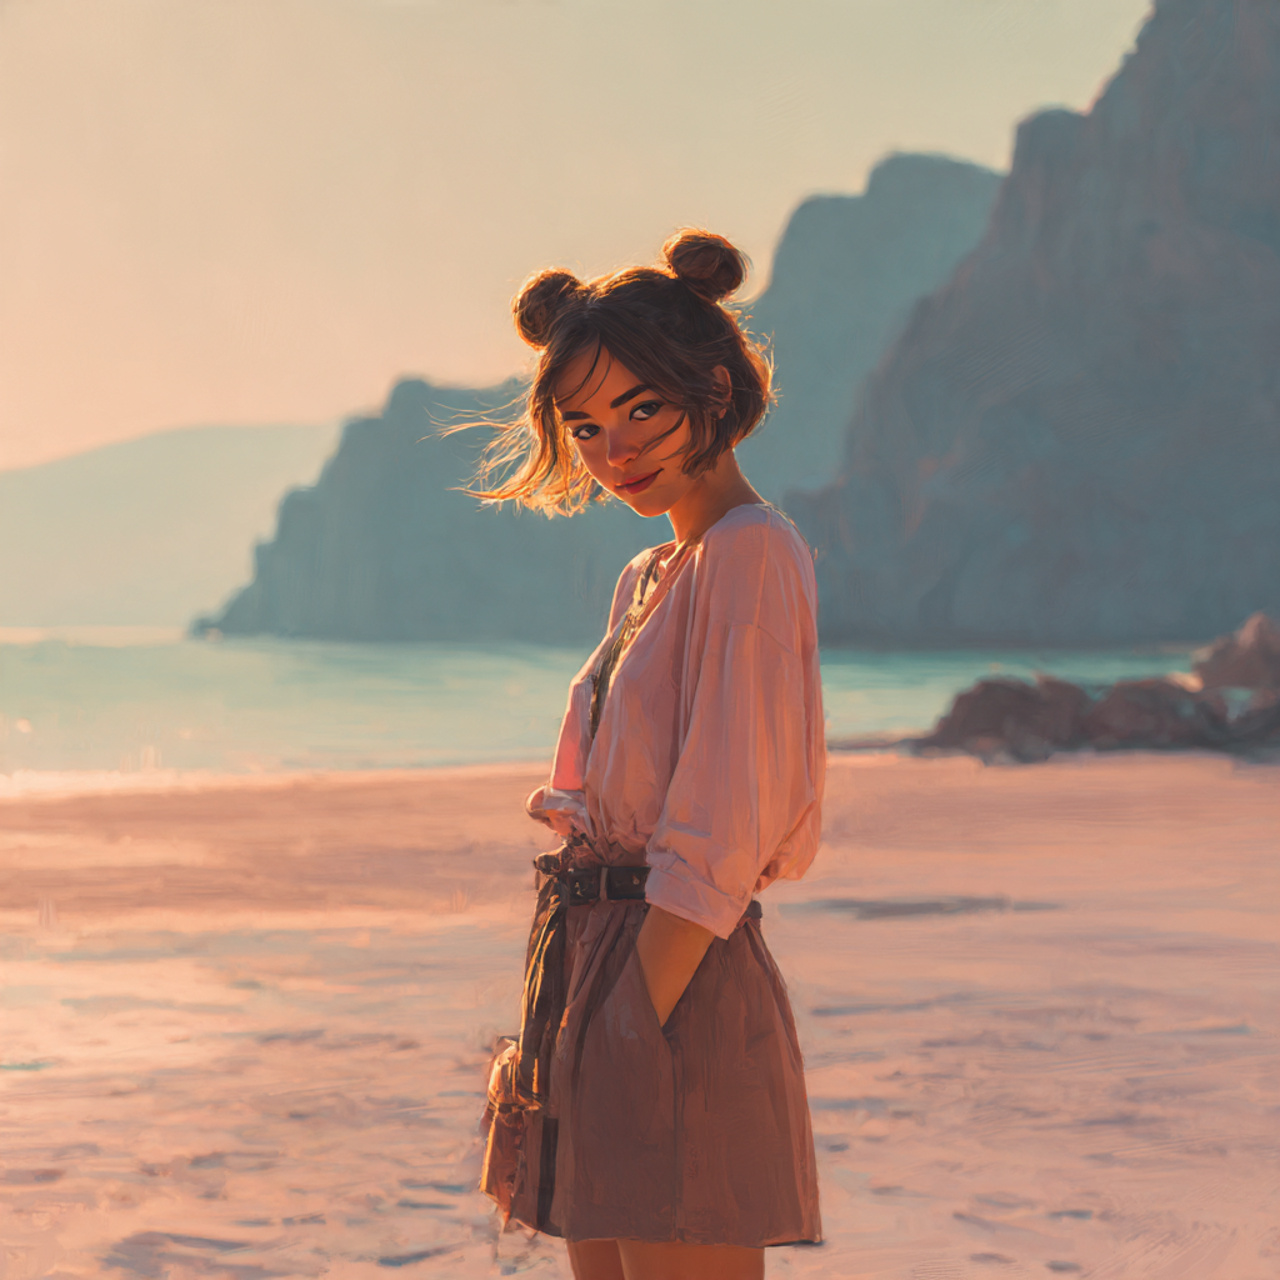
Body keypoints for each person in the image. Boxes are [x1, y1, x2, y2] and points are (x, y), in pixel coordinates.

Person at [476, 228, 825, 1280]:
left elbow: (721, 821)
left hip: (674, 971)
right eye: (583, 424)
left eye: (638, 408)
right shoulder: (646, 574)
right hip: (592, 958)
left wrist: (626, 1021)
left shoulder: (751, 554)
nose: (610, 449)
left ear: (711, 392)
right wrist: (557, 1025)